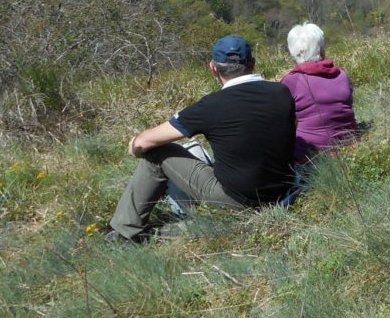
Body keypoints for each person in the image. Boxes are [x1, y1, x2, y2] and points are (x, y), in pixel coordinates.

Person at [107, 35, 297, 244]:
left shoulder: (211, 106)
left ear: (213, 68)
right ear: (252, 63)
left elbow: (144, 142)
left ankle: (124, 232)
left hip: (236, 198)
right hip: (281, 192)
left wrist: (134, 146)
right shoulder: (281, 92)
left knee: (158, 152)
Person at [281, 22, 359, 164]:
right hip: (352, 149)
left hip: (310, 157)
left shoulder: (290, 82)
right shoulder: (342, 75)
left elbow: (285, 125)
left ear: (292, 52)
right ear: (322, 50)